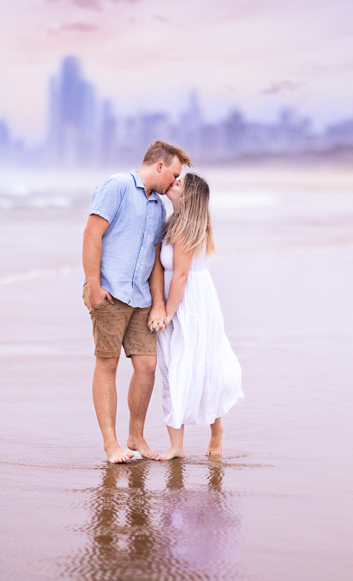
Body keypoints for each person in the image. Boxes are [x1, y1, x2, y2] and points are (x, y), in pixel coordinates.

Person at [82, 140, 192, 464]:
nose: (174, 183)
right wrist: (94, 286)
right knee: (108, 363)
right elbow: (91, 235)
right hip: (110, 293)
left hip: (142, 298)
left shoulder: (158, 207)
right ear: (159, 166)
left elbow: (156, 260)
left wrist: (158, 302)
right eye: (173, 175)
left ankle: (136, 436)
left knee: (147, 366)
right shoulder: (116, 187)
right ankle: (111, 444)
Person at [154, 173, 243, 460]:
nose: (172, 184)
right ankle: (176, 446)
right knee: (172, 367)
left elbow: (180, 276)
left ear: (189, 196)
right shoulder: (172, 223)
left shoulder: (187, 229)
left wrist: (167, 312)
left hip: (192, 303)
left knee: (201, 366)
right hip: (178, 298)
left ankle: (216, 431)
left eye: (178, 184)